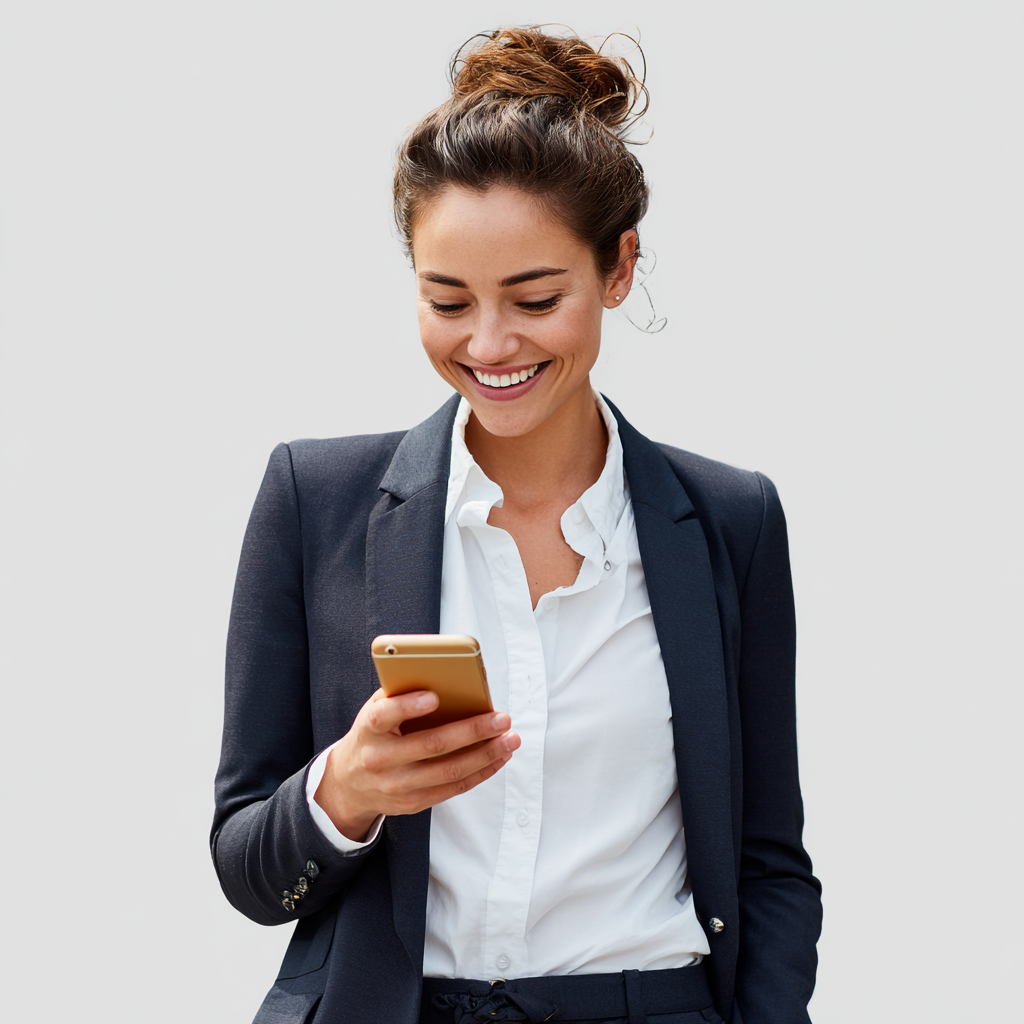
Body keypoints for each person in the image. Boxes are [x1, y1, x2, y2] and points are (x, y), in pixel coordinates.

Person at [212, 26, 822, 1024]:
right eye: (446, 300)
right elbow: (246, 867)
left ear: (618, 269)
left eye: (534, 298)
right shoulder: (310, 500)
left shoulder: (730, 521)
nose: (489, 344)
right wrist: (347, 790)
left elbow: (767, 861)